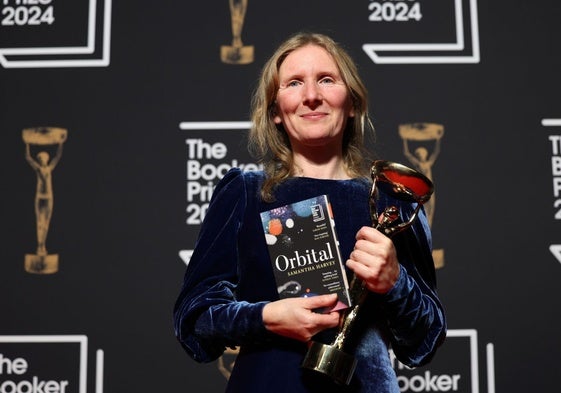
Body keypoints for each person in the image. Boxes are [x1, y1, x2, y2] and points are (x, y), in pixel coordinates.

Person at [173, 32, 446, 393]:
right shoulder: (245, 191)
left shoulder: (394, 201)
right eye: (294, 83)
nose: (311, 95)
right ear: (275, 112)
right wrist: (268, 317)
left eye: (327, 80)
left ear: (352, 103)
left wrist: (396, 282)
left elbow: (424, 341)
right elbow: (194, 320)